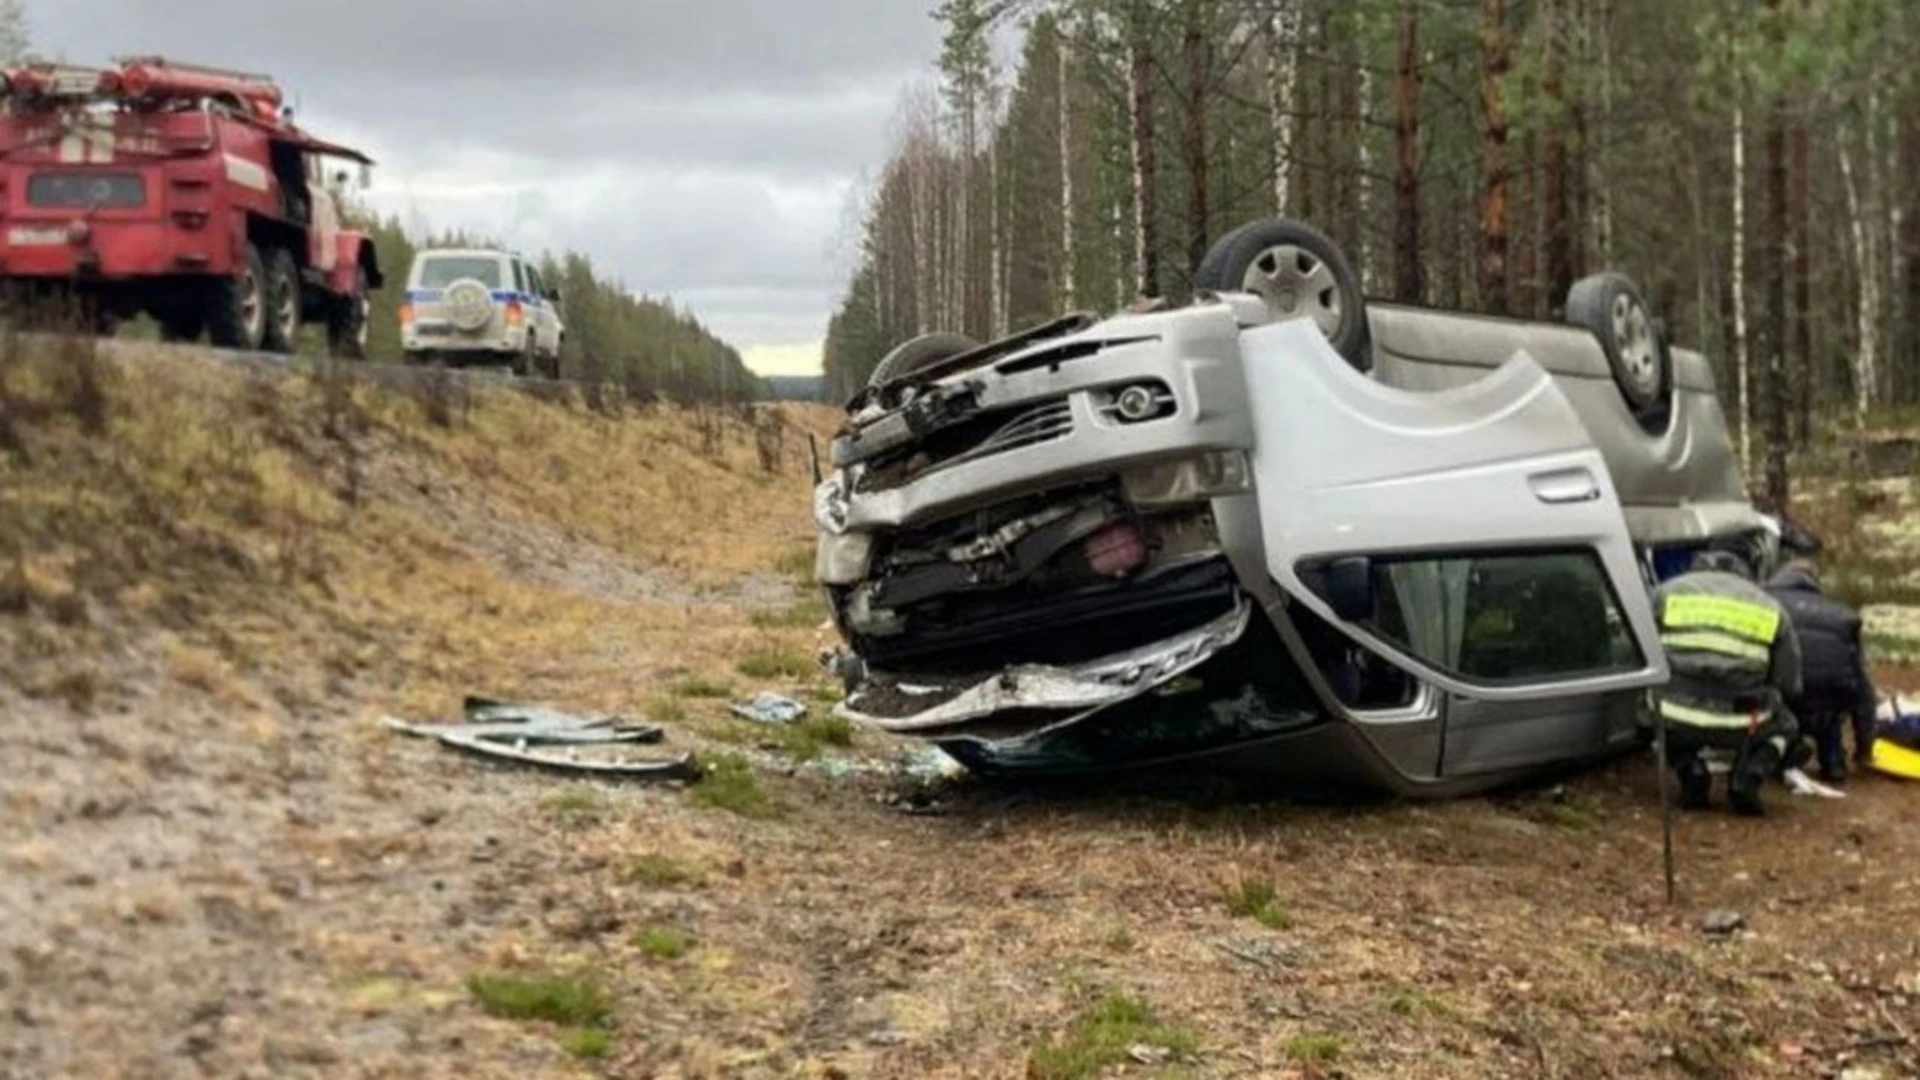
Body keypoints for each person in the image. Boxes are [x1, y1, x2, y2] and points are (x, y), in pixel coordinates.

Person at [1652, 547, 1803, 815]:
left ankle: (1690, 769)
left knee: (1648, 710)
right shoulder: (1770, 606)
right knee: (1787, 727)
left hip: (1672, 712)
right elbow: (1789, 682)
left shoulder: (1665, 593)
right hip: (1741, 719)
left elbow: (1642, 652)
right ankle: (1749, 775)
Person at [1766, 561, 1877, 782]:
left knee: (1777, 692)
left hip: (1783, 698)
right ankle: (1833, 760)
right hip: (1828, 700)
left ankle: (1778, 752)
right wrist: (1865, 747)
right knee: (1829, 703)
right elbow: (1860, 684)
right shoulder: (1844, 615)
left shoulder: (1764, 603)